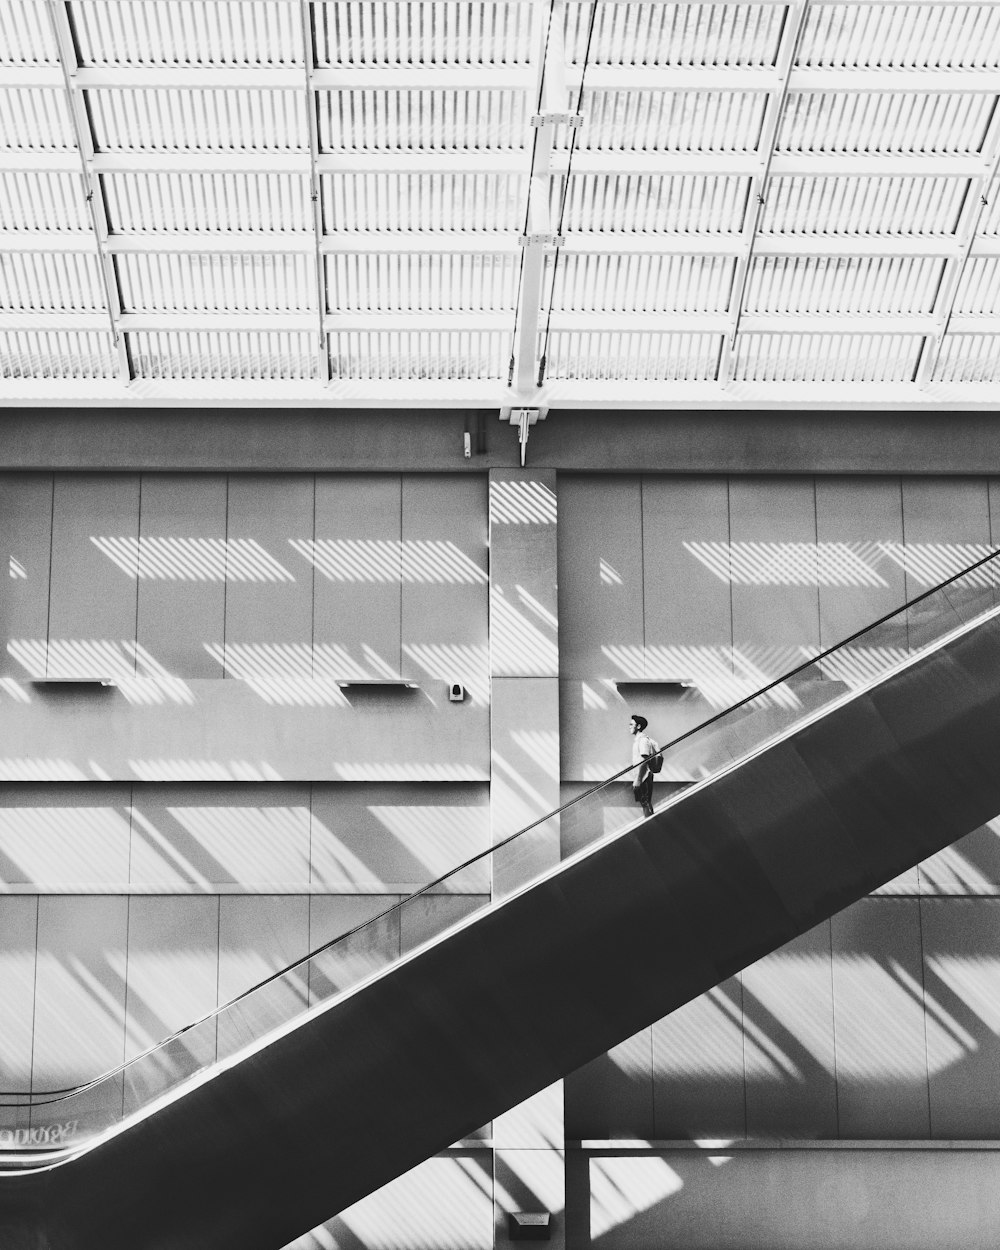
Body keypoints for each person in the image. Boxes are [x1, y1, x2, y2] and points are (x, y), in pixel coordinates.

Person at [628, 713, 658, 818]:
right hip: (641, 776)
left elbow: (644, 760)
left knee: (645, 803)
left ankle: (650, 824)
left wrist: (639, 779)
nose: (629, 726)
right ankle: (650, 823)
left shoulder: (643, 740)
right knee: (644, 803)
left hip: (643, 777)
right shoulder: (638, 740)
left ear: (639, 726)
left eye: (632, 724)